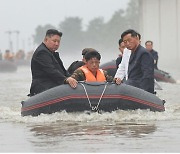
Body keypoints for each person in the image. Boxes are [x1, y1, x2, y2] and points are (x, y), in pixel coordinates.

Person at [29, 29, 77, 96]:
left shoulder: (52, 53)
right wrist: (65, 79)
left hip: (53, 85)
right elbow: (51, 71)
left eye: (58, 42)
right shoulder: (42, 53)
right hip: (43, 87)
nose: (56, 44)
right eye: (54, 41)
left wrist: (72, 78)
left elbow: (63, 71)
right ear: (46, 40)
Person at [116, 29, 154, 94]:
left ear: (136, 38)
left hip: (140, 91)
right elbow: (122, 68)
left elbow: (147, 76)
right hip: (131, 87)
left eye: (129, 40)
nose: (127, 43)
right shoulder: (131, 52)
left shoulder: (144, 53)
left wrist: (143, 93)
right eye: (125, 42)